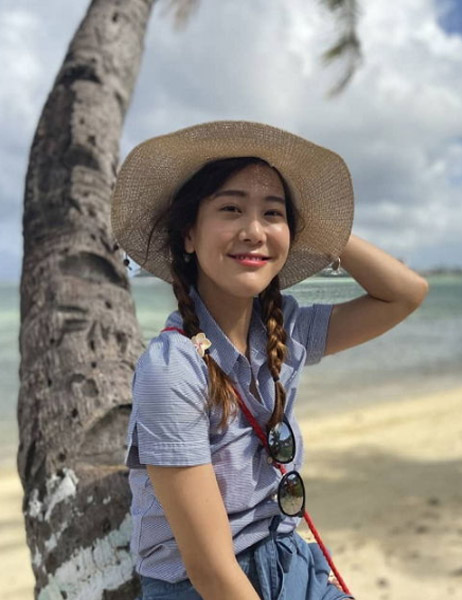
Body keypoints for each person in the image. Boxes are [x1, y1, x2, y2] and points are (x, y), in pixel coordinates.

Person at [111, 121, 429, 600]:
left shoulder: (285, 329)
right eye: (231, 209)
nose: (254, 231)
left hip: (289, 563)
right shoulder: (172, 368)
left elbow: (405, 294)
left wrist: (323, 230)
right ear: (189, 234)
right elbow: (211, 571)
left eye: (272, 214)